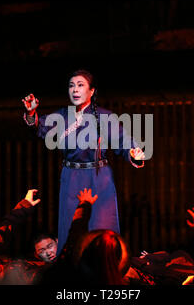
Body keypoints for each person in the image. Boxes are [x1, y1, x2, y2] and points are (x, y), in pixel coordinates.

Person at [22, 69, 145, 252]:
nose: (75, 90)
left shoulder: (104, 117)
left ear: (92, 91)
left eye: (81, 85)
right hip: (72, 178)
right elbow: (39, 128)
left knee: (102, 228)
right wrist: (32, 113)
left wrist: (133, 152)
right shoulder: (63, 116)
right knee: (72, 227)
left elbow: (123, 140)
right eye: (71, 86)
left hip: (99, 177)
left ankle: (108, 266)